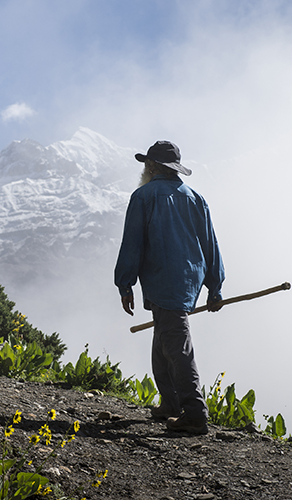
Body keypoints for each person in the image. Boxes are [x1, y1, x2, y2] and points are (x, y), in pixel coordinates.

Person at [114, 140, 225, 435]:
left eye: (146, 164)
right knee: (164, 336)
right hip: (188, 280)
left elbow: (132, 244)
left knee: (177, 345)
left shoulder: (144, 196)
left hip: (163, 279)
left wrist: (125, 284)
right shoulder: (195, 198)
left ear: (151, 166)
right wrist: (215, 287)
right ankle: (170, 403)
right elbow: (210, 245)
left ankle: (194, 413)